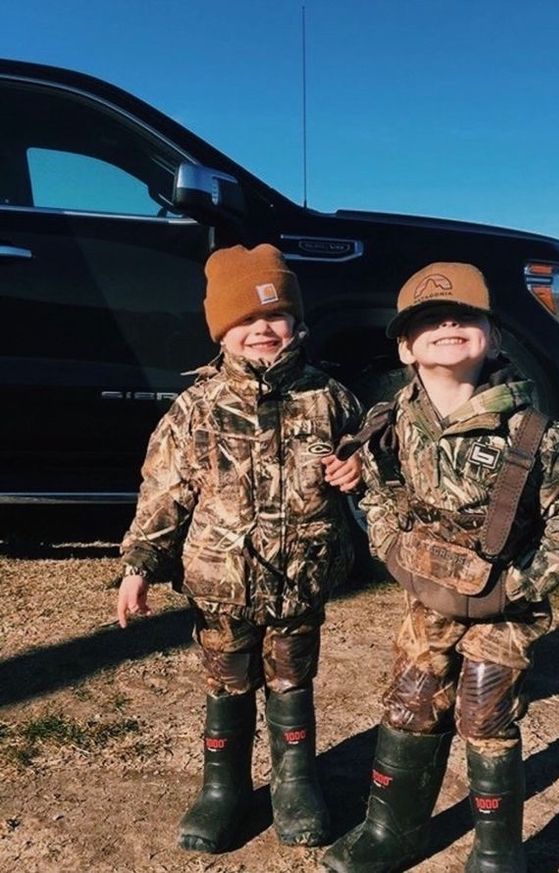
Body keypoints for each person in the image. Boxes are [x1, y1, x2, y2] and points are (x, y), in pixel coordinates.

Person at [322, 262, 559, 873]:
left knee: (483, 710)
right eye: (428, 320)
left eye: (464, 316)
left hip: (504, 602)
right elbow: (371, 484)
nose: (447, 324)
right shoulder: (391, 421)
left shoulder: (538, 434)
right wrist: (391, 544)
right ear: (405, 346)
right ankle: (391, 832)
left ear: (493, 337)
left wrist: (522, 582)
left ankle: (497, 851)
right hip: (428, 595)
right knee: (412, 699)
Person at [116, 244, 362, 854]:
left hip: (301, 581)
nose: (261, 330)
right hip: (219, 588)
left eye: (274, 316)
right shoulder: (194, 409)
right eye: (244, 321)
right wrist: (140, 565)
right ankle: (222, 788)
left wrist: (361, 470)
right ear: (221, 331)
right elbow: (163, 492)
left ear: (296, 325)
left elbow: (374, 466)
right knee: (227, 680)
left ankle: (294, 781)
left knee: (291, 679)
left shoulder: (330, 399)